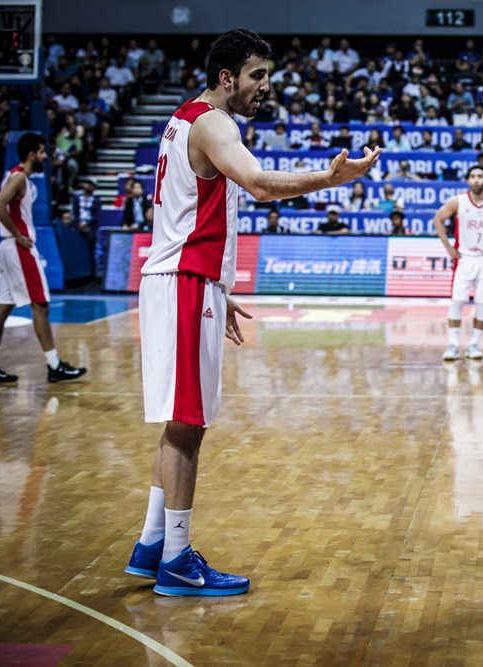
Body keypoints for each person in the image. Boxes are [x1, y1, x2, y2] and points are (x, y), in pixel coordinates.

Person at [124, 28, 380, 597]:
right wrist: (329, 178)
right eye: (257, 75)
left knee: (178, 421)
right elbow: (261, 185)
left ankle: (150, 543)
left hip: (187, 280)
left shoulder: (183, 118)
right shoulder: (216, 123)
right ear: (226, 78)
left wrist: (219, 285)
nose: (266, 86)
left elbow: (189, 212)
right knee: (188, 426)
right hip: (184, 283)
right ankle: (176, 558)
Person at [0, 132, 87, 384]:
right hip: (18, 248)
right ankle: (54, 365)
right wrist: (18, 235)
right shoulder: (18, 177)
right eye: (41, 152)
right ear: (31, 155)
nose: (45, 156)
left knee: (2, 306)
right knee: (40, 305)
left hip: (8, 247)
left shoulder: (17, 176)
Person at [432, 165, 483, 361]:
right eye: (473, 176)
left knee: (482, 304)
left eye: (480, 176)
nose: (476, 179)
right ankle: (452, 345)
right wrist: (447, 246)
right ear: (468, 180)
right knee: (457, 302)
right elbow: (438, 219)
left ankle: (474, 345)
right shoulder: (458, 201)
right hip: (465, 258)